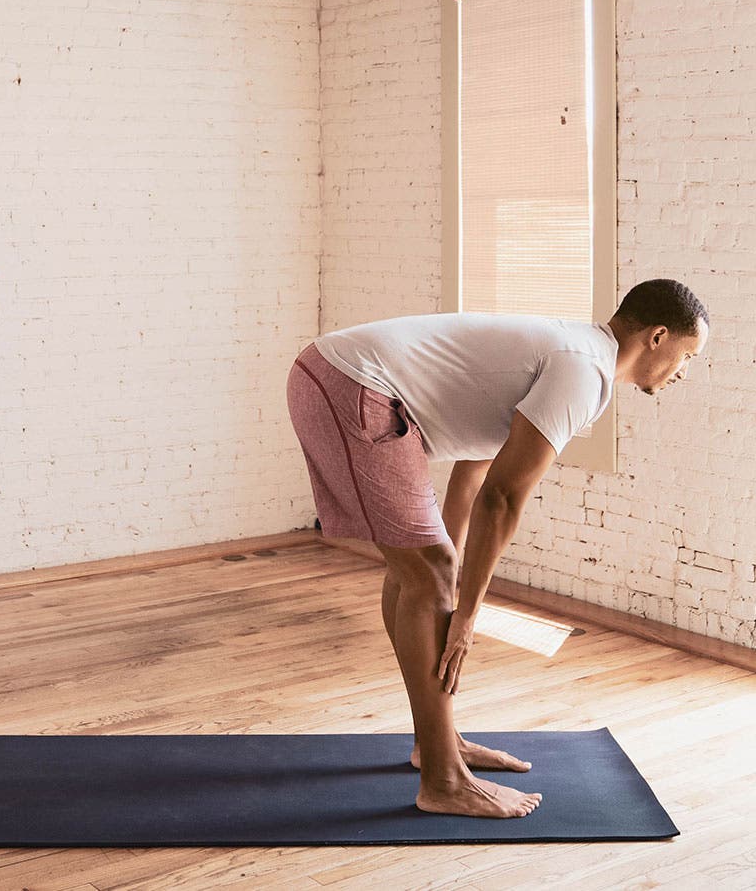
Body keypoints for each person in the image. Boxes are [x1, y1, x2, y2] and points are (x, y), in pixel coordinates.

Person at [285, 279, 708, 818]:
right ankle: (443, 780)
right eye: (687, 356)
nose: (684, 371)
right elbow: (502, 500)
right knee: (427, 572)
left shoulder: (573, 353)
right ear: (658, 336)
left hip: (343, 378)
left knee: (421, 570)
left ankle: (437, 745)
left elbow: (474, 469)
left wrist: (447, 574)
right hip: (351, 384)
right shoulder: (584, 371)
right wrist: (465, 615)